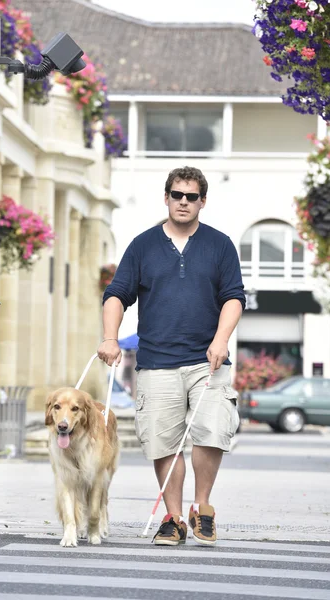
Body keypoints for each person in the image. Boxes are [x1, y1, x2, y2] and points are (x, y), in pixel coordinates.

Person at [98, 166, 245, 546]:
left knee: (211, 432)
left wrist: (221, 339)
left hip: (207, 360)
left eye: (191, 196)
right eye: (177, 195)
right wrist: (110, 338)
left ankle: (203, 508)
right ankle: (175, 518)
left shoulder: (220, 245)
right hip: (156, 360)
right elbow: (116, 294)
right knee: (163, 443)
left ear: (202, 201)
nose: (183, 202)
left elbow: (233, 297)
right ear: (166, 198)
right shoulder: (143, 245)